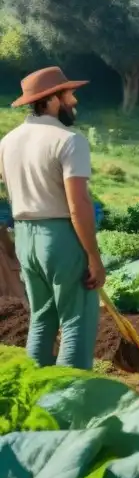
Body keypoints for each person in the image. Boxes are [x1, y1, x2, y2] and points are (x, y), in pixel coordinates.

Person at [0, 67, 102, 369]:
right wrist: (94, 257)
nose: (74, 101)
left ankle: (36, 396)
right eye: (69, 93)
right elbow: (79, 204)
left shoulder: (8, 142)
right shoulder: (69, 140)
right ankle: (68, 407)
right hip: (60, 237)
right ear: (51, 99)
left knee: (42, 319)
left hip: (25, 236)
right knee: (76, 324)